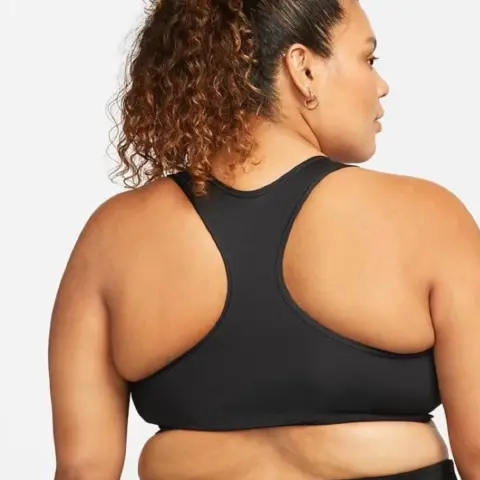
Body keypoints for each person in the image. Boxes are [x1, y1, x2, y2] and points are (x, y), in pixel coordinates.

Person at [48, 0, 480, 479]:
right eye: (368, 58)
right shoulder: (426, 217)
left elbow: (83, 469)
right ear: (303, 69)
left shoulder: (114, 236)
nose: (381, 85)